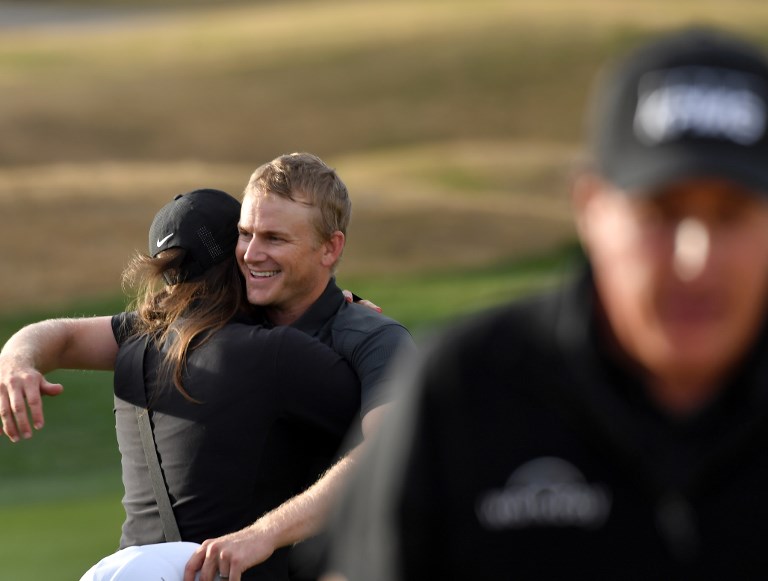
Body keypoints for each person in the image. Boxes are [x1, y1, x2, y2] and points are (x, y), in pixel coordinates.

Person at [320, 27, 768, 580]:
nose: (695, 258)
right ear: (591, 208)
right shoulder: (465, 391)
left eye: (732, 214)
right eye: (662, 211)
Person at [0, 154, 414, 580]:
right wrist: (15, 363)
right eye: (245, 234)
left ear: (331, 247)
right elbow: (62, 337)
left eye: (274, 238)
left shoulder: (372, 337)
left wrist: (264, 534)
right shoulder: (205, 332)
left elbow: (394, 450)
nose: (252, 254)